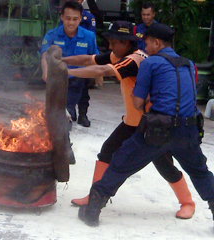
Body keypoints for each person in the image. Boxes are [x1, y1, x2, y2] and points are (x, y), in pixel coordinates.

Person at [78, 23, 214, 227]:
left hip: (158, 130)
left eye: (147, 42)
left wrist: (143, 99)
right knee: (200, 172)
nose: (145, 46)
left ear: (157, 42)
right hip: (189, 130)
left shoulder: (150, 63)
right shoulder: (188, 63)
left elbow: (138, 102)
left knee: (120, 162)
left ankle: (91, 210)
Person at [41, 0, 99, 122]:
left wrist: (99, 76)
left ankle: (65, 130)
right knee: (52, 109)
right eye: (67, 18)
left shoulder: (89, 36)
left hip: (77, 78)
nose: (71, 22)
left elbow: (95, 57)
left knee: (67, 109)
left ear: (80, 19)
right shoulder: (52, 35)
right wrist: (45, 72)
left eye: (75, 19)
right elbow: (45, 55)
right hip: (56, 78)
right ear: (62, 17)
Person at [68, 0, 97, 127]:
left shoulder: (89, 18)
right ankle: (70, 111)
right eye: (73, 1)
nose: (76, 3)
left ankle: (83, 115)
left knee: (84, 91)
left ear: (82, 1)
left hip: (84, 61)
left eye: (77, 0)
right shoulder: (66, 18)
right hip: (69, 61)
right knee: (68, 90)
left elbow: (91, 40)